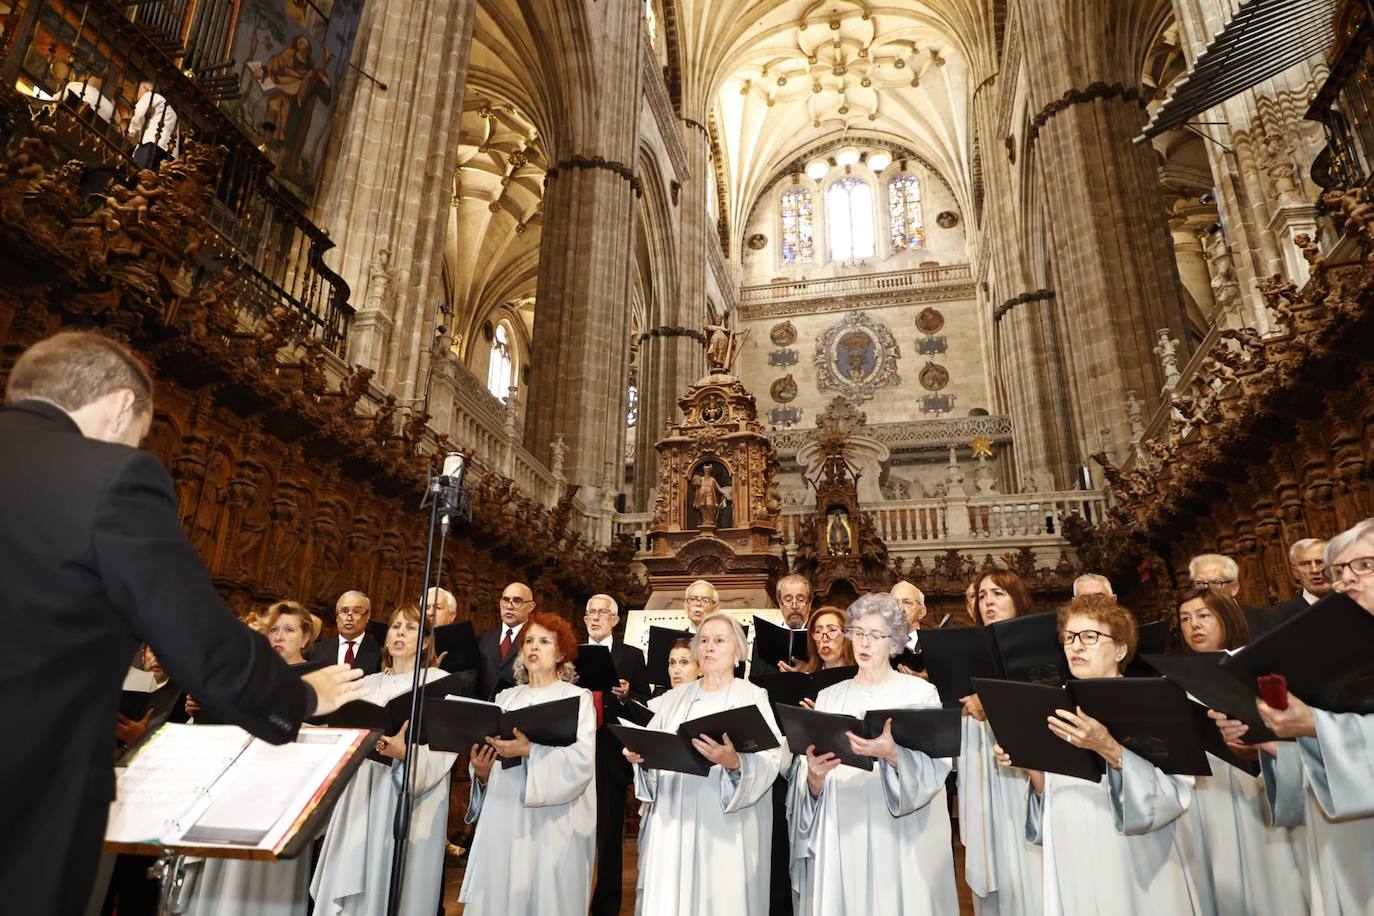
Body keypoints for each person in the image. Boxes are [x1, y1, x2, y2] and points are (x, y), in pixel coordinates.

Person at [0, 331, 362, 916]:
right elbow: (196, 633)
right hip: (24, 783)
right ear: (122, 405)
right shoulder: (111, 477)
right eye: (140, 432)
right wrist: (295, 696)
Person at [994, 594, 1210, 914]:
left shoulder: (1154, 703)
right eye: (1068, 637)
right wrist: (1033, 769)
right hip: (1071, 851)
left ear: (1120, 649)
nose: (1075, 646)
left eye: (1089, 636)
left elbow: (1175, 794)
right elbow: (1049, 796)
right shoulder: (1053, 706)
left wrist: (1106, 746)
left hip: (1134, 859)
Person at [1217, 517, 1374, 914]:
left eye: (1364, 565)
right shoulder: (1333, 650)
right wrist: (1269, 743)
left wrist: (1316, 726)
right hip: (1341, 833)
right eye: (1338, 572)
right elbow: (1325, 758)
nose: (1346, 580)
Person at [789, 594, 957, 914]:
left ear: (893, 642)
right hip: (843, 823)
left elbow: (938, 767)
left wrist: (894, 755)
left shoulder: (919, 694)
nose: (864, 643)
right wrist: (813, 777)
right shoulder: (828, 697)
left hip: (901, 831)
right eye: (858, 633)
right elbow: (807, 774)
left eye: (876, 636)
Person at [625, 613, 783, 916]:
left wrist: (735, 762)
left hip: (726, 824)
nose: (709, 647)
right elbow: (655, 750)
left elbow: (770, 759)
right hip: (674, 818)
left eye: (719, 641)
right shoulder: (674, 699)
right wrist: (642, 759)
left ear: (737, 653)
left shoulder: (753, 696)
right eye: (704, 641)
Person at [311, 604, 457, 916]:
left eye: (409, 628)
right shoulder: (366, 683)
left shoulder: (439, 681)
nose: (400, 633)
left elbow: (446, 746)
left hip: (407, 797)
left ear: (426, 641)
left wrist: (406, 753)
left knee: (392, 882)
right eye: (395, 627)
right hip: (360, 791)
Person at [1171, 587, 1308, 916]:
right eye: (1185, 619)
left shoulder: (1258, 668)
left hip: (1257, 781)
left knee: (1268, 871)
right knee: (1218, 870)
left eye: (1204, 616)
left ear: (1227, 618)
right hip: (1206, 786)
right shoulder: (1176, 678)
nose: (1194, 626)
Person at [459, 612, 597, 914]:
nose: (533, 647)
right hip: (503, 813)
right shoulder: (505, 698)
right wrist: (481, 772)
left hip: (552, 821)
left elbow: (581, 762)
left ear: (561, 652)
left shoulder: (577, 698)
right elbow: (487, 758)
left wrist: (530, 751)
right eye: (529, 641)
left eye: (544, 641)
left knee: (544, 896)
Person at [958, 569, 1042, 916]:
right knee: (988, 850)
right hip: (978, 759)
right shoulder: (966, 649)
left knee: (1024, 864)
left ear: (1016, 599)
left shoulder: (1036, 646)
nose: (988, 601)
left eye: (998, 594)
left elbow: (1041, 703)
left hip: (1023, 767)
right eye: (982, 596)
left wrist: (988, 703)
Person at [583, 594, 648, 916]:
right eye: (590, 613)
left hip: (610, 752)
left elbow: (644, 704)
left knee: (609, 836)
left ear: (615, 620)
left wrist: (625, 697)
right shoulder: (569, 654)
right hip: (575, 750)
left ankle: (606, 907)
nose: (595, 618)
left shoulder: (631, 655)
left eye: (602, 613)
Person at [476, 582, 534, 700]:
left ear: (531, 606)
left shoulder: (535, 641)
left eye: (517, 601)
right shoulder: (483, 639)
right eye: (505, 600)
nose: (509, 606)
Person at [309, 590, 382, 673]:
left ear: (368, 616)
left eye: (356, 612)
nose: (349, 618)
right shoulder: (316, 650)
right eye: (344, 611)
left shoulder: (379, 652)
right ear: (336, 617)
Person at [1263, 537, 1330, 628]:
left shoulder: (1353, 600)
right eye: (1306, 564)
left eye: (1320, 562)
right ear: (1295, 572)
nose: (1314, 570)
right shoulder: (1280, 618)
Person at [780, 605, 855, 677]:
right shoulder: (808, 677)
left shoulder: (861, 676)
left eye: (832, 630)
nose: (824, 639)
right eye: (818, 632)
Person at [126, 80, 178, 170]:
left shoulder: (150, 95)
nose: (137, 98)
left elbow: (139, 114)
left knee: (138, 173)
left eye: (138, 92)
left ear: (145, 89)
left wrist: (129, 133)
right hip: (168, 156)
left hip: (151, 145)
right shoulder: (173, 113)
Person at [263, 600, 321, 665]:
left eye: (289, 630)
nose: (278, 637)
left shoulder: (316, 674)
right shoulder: (257, 671)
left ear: (305, 638)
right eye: (273, 630)